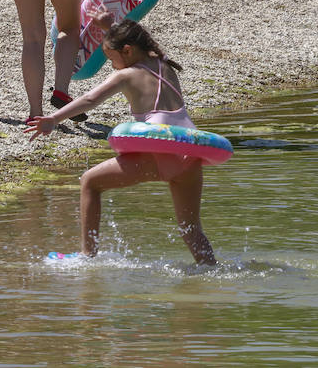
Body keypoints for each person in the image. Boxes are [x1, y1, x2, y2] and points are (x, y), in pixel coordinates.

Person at [25, 17, 216, 265]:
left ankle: (87, 256)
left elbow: (90, 100)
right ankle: (210, 271)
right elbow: (130, 42)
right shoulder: (164, 64)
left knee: (90, 183)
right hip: (190, 154)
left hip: (160, 152)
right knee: (191, 228)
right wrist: (109, 28)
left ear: (126, 52)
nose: (113, 66)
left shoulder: (125, 75)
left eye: (111, 59)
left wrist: (53, 118)